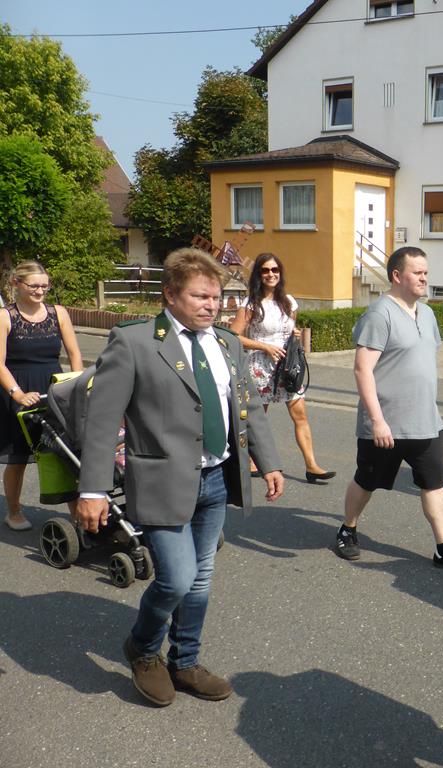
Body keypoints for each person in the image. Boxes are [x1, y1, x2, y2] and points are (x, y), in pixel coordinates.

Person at [74, 248, 285, 707]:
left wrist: (268, 462)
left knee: (201, 578)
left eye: (217, 297)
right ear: (170, 294)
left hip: (215, 479)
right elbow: (102, 420)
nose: (212, 305)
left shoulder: (226, 343)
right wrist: (92, 489)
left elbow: (247, 407)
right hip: (161, 481)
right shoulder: (134, 342)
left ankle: (185, 661)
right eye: (200, 296)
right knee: (177, 579)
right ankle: (143, 648)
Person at [335, 246, 443, 569]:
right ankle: (348, 528)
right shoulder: (379, 314)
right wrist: (377, 420)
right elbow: (362, 369)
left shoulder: (427, 314)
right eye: (418, 273)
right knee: (366, 480)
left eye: (426, 272)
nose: (424, 278)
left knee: (434, 483)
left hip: (426, 421)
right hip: (386, 424)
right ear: (397, 276)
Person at [231, 253, 335, 484]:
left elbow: (289, 328)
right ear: (258, 274)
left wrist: (294, 334)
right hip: (260, 366)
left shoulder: (288, 302)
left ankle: (311, 465)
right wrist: (264, 346)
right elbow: (233, 336)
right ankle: (251, 460)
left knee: (300, 415)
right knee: (258, 417)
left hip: (287, 366)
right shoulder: (251, 304)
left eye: (275, 270)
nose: (271, 274)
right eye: (265, 270)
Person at [0, 261, 83, 531]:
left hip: (54, 389)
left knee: (64, 452)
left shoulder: (58, 313)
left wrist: (78, 385)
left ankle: (79, 514)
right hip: (18, 390)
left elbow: (74, 353)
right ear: (16, 283)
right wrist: (18, 394)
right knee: (19, 458)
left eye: (45, 286)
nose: (40, 291)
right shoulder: (5, 317)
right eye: (34, 286)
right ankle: (14, 511)